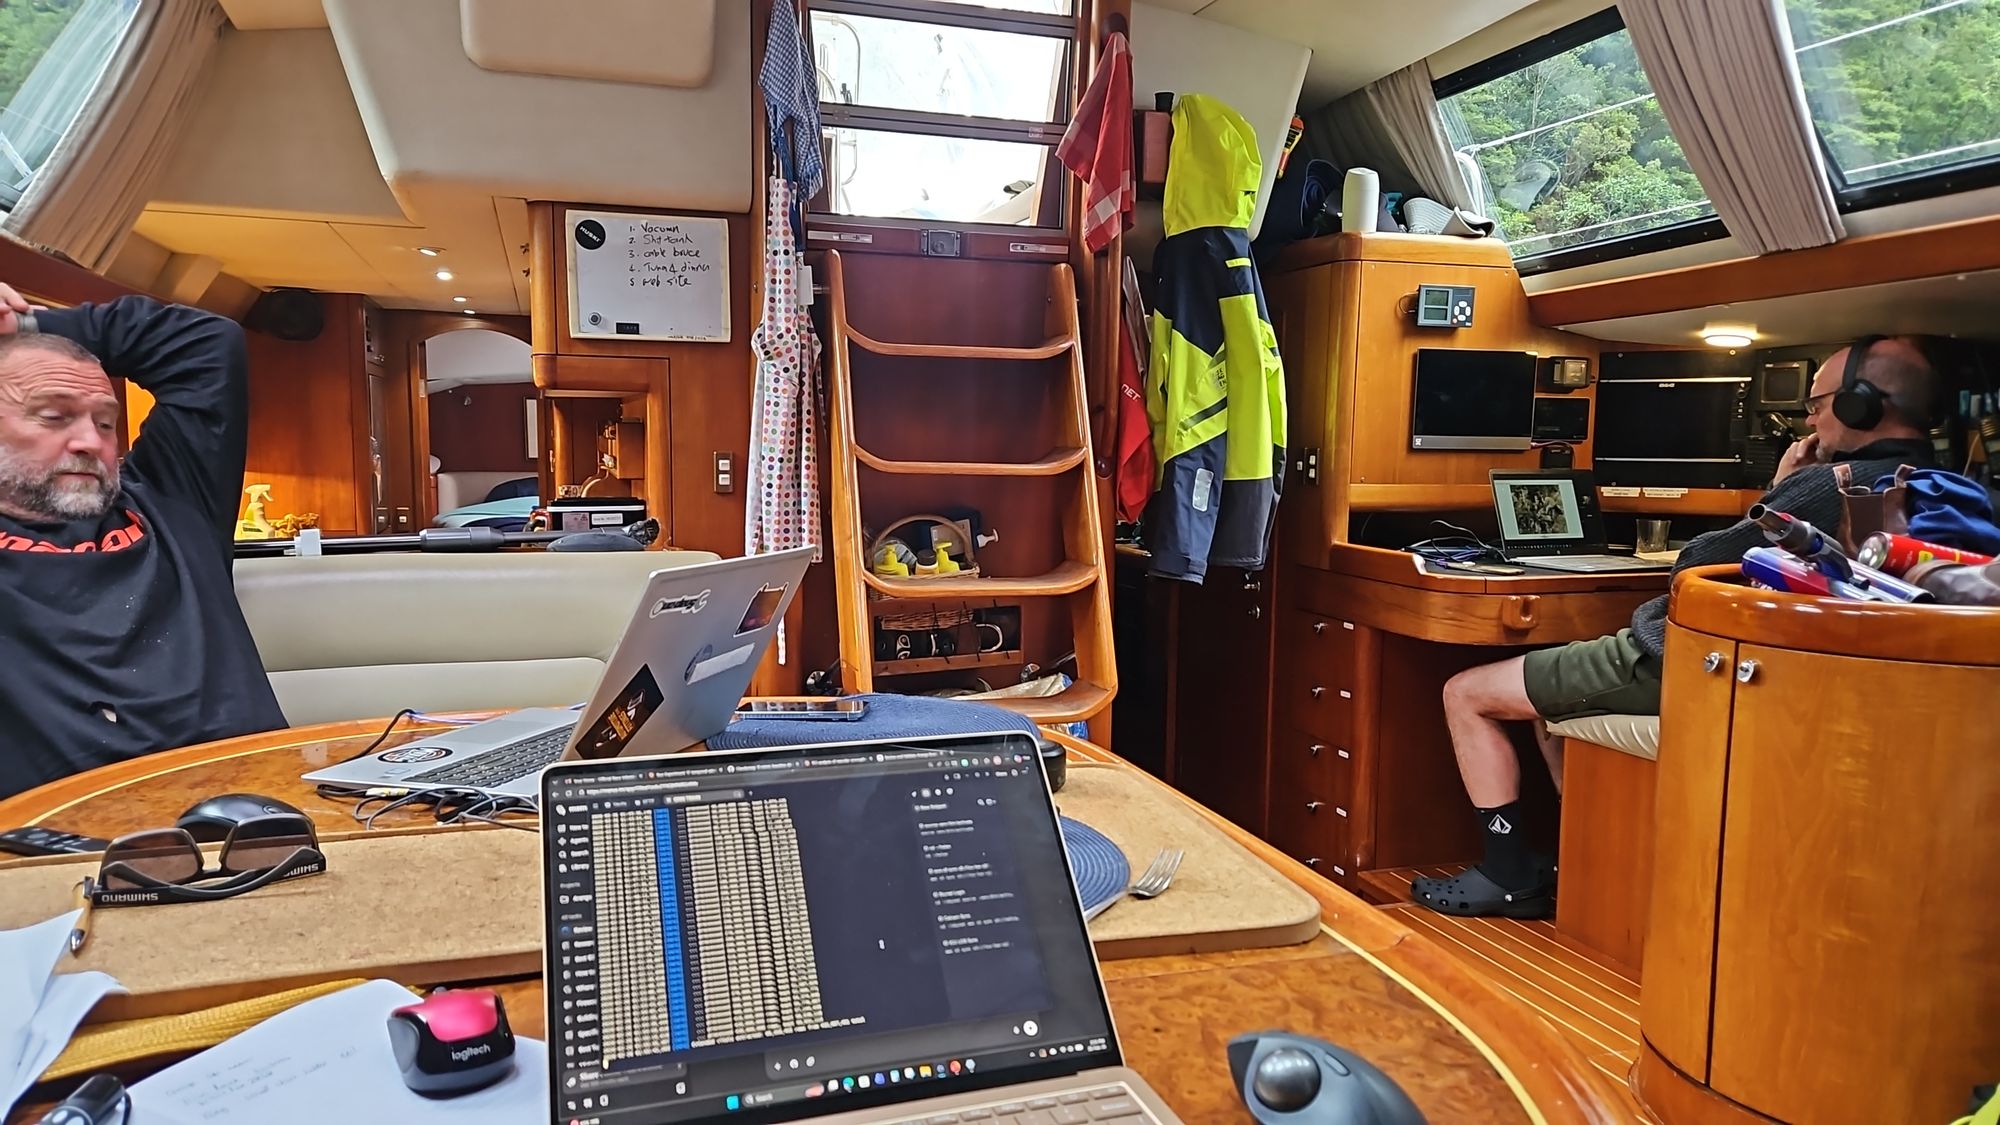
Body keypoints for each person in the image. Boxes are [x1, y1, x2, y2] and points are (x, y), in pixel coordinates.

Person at [1411, 336, 1942, 918]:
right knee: (1553, 703)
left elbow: (1695, 568)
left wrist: (1779, 488)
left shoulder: (1830, 482)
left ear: (1860, 405)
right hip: (1799, 682)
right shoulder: (1946, 486)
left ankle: (1509, 874)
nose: (1809, 418)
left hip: (1682, 661)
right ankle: (1592, 863)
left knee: (1465, 693)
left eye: (1816, 404)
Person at [0, 284, 285, 800]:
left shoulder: (172, 504)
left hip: (260, 823)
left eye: (105, 422)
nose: (92, 442)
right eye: (53, 416)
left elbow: (206, 343)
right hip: (65, 850)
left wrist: (27, 327)